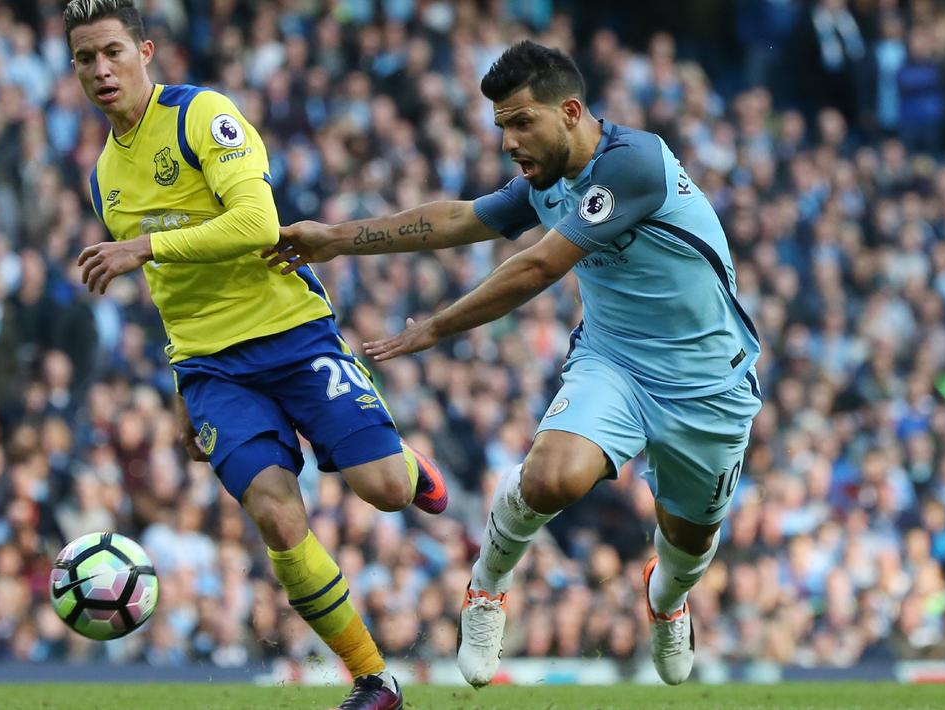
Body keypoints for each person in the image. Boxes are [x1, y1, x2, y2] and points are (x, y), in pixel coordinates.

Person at [269, 40, 763, 687]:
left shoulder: (635, 162)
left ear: (570, 111)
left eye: (521, 121)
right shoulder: (545, 183)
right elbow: (453, 219)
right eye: (500, 126)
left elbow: (538, 266)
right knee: (551, 477)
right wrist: (336, 238)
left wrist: (438, 327)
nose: (508, 141)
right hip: (613, 363)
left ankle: (666, 599)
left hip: (709, 385)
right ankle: (486, 585)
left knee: (688, 546)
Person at [65, 2, 448, 707]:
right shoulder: (103, 178)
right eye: (84, 58)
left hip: (293, 336)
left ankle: (407, 464)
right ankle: (372, 678)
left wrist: (143, 244)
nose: (100, 69)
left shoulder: (199, 116)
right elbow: (167, 295)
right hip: (211, 367)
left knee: (386, 493)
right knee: (275, 514)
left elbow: (257, 222)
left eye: (112, 51)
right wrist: (185, 392)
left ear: (145, 51)